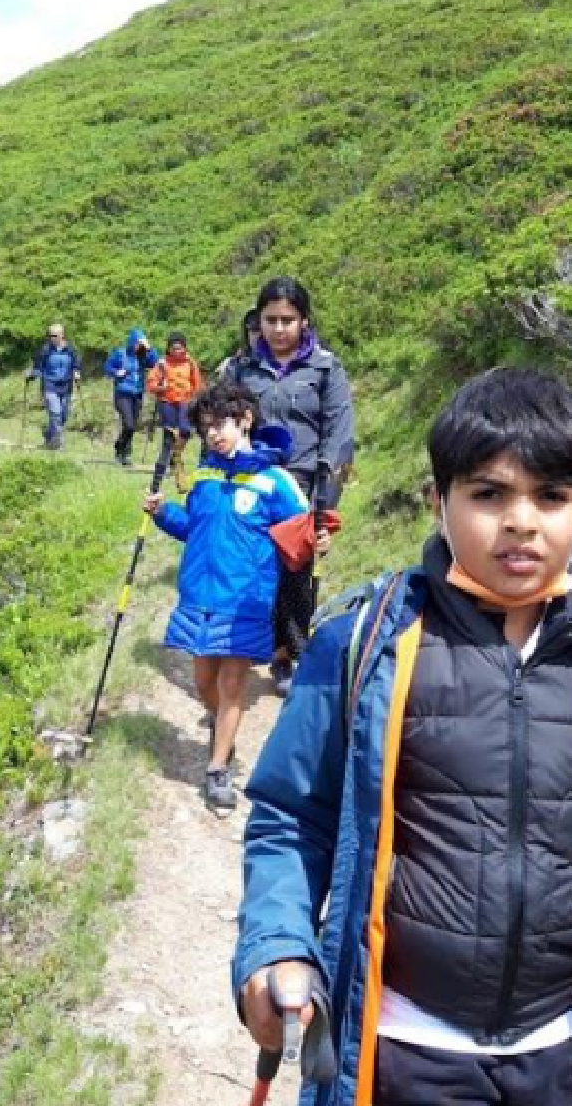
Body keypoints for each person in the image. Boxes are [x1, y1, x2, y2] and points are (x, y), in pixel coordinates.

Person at [232, 368, 572, 1107]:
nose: (522, 522)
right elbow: (290, 815)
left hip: (570, 1053)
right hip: (403, 1049)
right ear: (439, 502)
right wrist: (275, 945)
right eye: (489, 494)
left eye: (552, 496)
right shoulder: (365, 646)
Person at [142, 381, 317, 812]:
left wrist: (318, 538)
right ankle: (226, 733)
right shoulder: (204, 477)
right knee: (204, 682)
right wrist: (164, 512)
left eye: (221, 424)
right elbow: (192, 529)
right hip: (199, 596)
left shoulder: (274, 481)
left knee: (233, 682)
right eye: (206, 428)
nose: (214, 434)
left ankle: (218, 769)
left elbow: (303, 535)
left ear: (245, 421)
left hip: (245, 603)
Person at [230, 277, 353, 694]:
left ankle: (288, 654)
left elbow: (338, 438)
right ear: (258, 321)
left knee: (295, 570)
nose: (279, 328)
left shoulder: (325, 368)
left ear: (304, 321)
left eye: (288, 320)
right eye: (271, 320)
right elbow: (219, 422)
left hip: (300, 485)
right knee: (251, 566)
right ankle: (247, 644)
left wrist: (324, 503)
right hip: (249, 482)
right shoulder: (240, 369)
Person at [146, 331, 204, 490]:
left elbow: (198, 384)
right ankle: (155, 486)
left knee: (185, 431)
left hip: (185, 402)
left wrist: (197, 399)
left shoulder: (190, 363)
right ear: (169, 348)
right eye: (174, 348)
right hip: (168, 402)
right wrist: (160, 387)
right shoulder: (162, 363)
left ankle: (176, 456)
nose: (177, 351)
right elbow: (150, 384)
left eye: (180, 348)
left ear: (184, 348)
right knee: (168, 441)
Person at [103, 326, 158, 466]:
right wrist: (116, 372)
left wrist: (149, 348)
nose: (138, 347)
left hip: (137, 394)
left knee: (132, 426)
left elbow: (156, 363)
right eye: (136, 344)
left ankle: (124, 454)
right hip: (122, 393)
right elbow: (107, 367)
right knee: (128, 424)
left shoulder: (144, 355)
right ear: (131, 342)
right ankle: (121, 450)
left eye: (140, 344)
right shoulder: (121, 353)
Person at [26, 322, 82, 450]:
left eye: (54, 335)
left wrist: (77, 373)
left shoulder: (71, 349)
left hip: (67, 386)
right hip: (49, 385)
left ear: (62, 335)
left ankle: (48, 434)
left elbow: (76, 365)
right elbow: (38, 367)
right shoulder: (45, 350)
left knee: (63, 416)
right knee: (56, 413)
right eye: (49, 335)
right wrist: (31, 375)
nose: (51, 338)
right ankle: (58, 443)